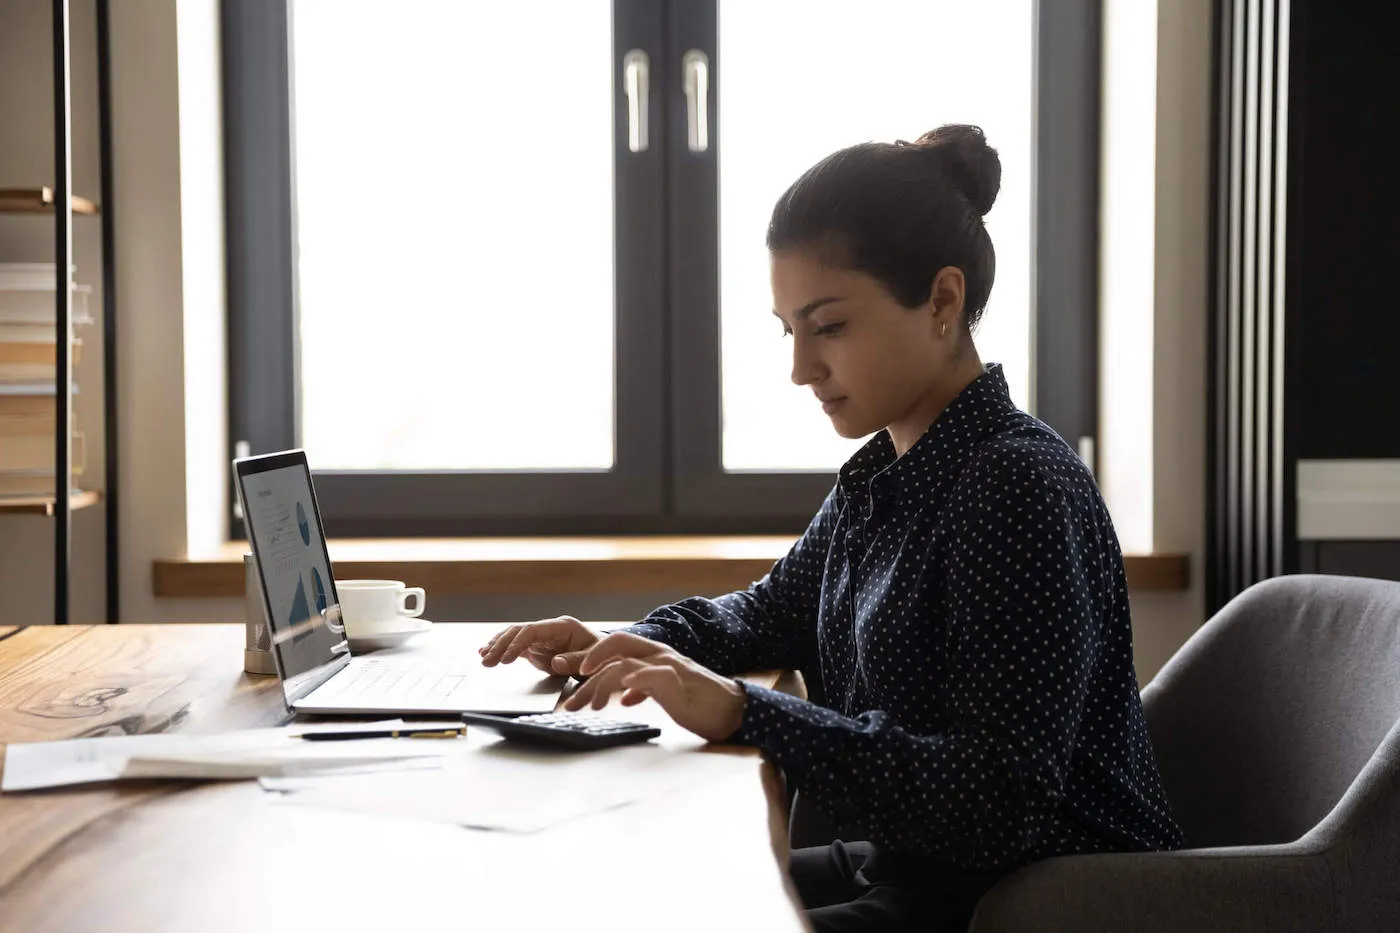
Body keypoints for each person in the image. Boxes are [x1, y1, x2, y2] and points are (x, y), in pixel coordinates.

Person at [479, 124, 1184, 932]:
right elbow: (765, 612)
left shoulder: (1017, 485)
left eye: (831, 327)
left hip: (1031, 901)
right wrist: (625, 644)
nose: (801, 368)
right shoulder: (887, 473)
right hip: (913, 870)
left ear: (943, 301)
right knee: (619, 882)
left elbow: (1001, 804)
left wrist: (745, 710)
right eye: (790, 330)